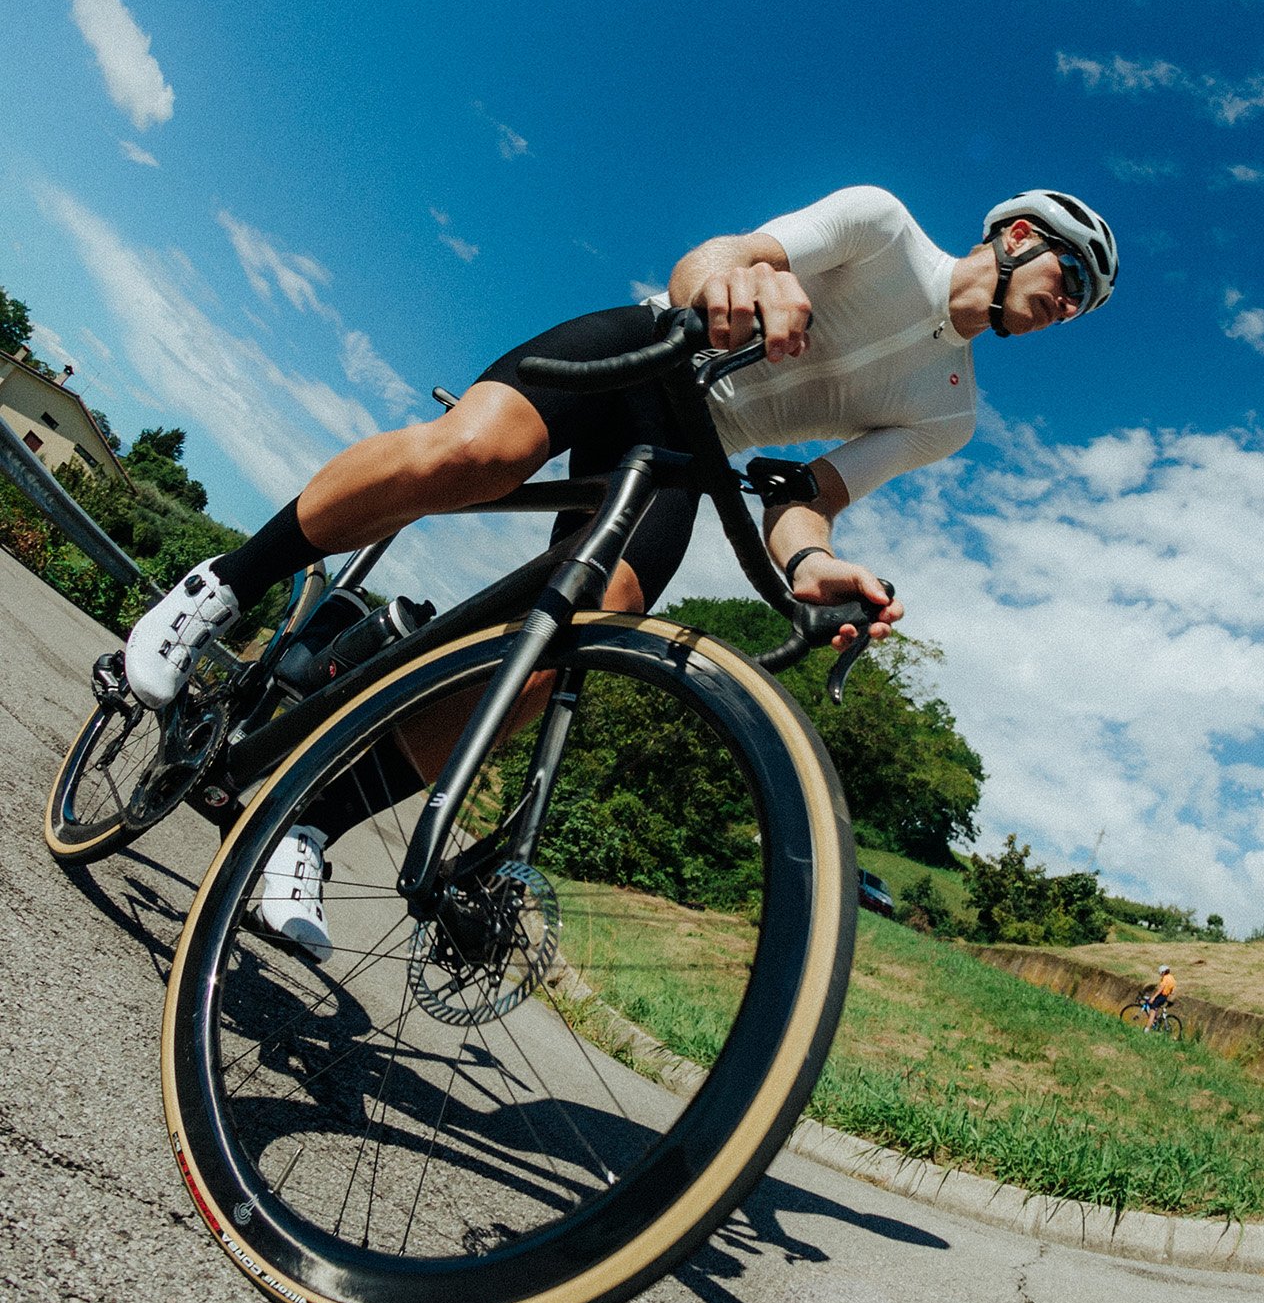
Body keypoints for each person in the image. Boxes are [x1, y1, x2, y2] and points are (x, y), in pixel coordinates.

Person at [123, 185, 1119, 959]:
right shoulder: (882, 225)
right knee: (473, 455)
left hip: (692, 447)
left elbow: (804, 494)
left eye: (1084, 306)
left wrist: (813, 564)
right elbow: (711, 261)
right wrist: (743, 278)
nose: (1069, 307)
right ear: (1018, 235)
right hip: (644, 353)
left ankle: (307, 824)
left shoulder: (948, 412)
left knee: (581, 637)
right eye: (1070, 276)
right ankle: (221, 586)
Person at [1144, 964, 1177, 1030]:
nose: (1160, 974)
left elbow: (1160, 989)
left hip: (1161, 996)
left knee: (1152, 1011)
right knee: (1154, 1006)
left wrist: (1153, 997)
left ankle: (1147, 1029)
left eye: (1160, 973)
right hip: (1166, 996)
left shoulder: (1165, 978)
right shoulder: (1171, 977)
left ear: (1163, 972)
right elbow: (1173, 989)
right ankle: (1155, 1021)